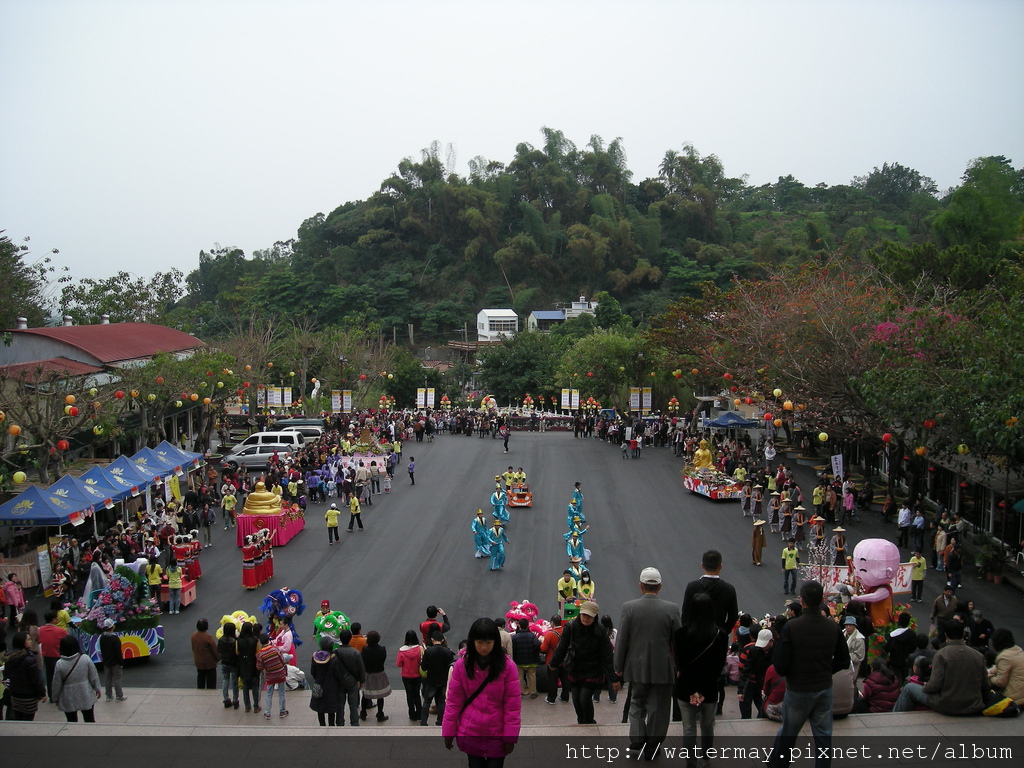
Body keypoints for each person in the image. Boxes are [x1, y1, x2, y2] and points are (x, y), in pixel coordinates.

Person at [766, 581, 851, 768]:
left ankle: (778, 764)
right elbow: (844, 661)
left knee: (789, 732)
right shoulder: (833, 627)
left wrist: (793, 673)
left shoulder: (792, 627)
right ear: (822, 599)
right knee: (823, 736)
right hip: (824, 688)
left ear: (802, 600)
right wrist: (826, 670)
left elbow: (780, 664)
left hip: (798, 689)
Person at [614, 567, 681, 763]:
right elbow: (678, 642)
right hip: (663, 667)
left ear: (641, 586)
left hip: (636, 666)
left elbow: (622, 640)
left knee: (636, 702)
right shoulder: (672, 609)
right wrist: (679, 667)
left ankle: (637, 737)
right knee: (659, 708)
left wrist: (618, 666)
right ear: (659, 586)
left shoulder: (629, 607)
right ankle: (653, 744)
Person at [442, 617, 521, 766]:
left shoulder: (507, 667)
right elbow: (454, 702)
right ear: (472, 642)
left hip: (497, 733)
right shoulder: (462, 665)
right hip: (471, 731)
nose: (484, 647)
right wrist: (448, 732)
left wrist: (510, 737)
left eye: (488, 643)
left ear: (495, 642)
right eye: (479, 642)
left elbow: (512, 706)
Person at [673, 593, 729, 764]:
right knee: (707, 726)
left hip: (686, 688)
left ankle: (691, 762)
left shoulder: (680, 634)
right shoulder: (721, 636)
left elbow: (681, 665)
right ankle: (706, 756)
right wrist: (703, 691)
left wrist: (693, 691)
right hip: (709, 689)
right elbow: (718, 667)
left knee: (689, 728)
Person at [892, 621, 987, 714]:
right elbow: (985, 684)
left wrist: (925, 687)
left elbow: (934, 685)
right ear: (963, 634)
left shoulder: (941, 655)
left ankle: (895, 718)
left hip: (947, 704)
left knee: (909, 687)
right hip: (973, 704)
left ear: (946, 635)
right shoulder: (978, 656)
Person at [549, 600, 615, 725]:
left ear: (595, 616)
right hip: (576, 668)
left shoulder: (600, 630)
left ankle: (589, 722)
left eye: (589, 616)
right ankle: (581, 721)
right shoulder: (571, 627)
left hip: (593, 670)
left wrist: (614, 678)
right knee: (576, 699)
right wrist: (554, 663)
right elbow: (562, 647)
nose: (586, 618)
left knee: (584, 698)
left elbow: (607, 654)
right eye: (584, 615)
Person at [681, 549, 739, 635]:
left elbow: (685, 614)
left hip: (695, 636)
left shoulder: (692, 587)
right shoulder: (729, 589)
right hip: (718, 636)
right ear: (720, 566)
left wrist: (689, 632)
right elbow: (733, 617)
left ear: (702, 566)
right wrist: (723, 632)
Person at [51, 634, 102, 722]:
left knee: (71, 720)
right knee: (89, 718)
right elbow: (93, 675)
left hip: (68, 695)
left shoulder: (60, 663)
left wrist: (55, 697)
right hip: (85, 692)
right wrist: (97, 688)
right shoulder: (85, 659)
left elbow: (57, 683)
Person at [4, 631, 46, 720]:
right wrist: (42, 693)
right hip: (28, 696)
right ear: (22, 642)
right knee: (28, 719)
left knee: (18, 717)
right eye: (28, 639)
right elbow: (36, 679)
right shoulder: (30, 659)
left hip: (15, 694)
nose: (31, 641)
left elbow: (7, 674)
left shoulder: (9, 657)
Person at [420, 629, 455, 726]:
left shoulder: (428, 652)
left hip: (431, 680)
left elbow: (424, 667)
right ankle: (440, 721)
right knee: (441, 701)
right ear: (442, 640)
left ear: (432, 639)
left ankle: (423, 721)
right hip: (443, 680)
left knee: (427, 701)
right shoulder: (448, 652)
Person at [335, 629, 366, 726]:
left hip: (339, 682)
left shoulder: (335, 652)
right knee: (353, 705)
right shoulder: (355, 653)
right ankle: (354, 722)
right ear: (350, 639)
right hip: (352, 681)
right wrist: (362, 681)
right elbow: (361, 669)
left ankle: (340, 722)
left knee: (340, 705)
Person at [309, 636, 343, 726]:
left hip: (319, 684)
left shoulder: (315, 657)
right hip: (332, 687)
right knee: (331, 709)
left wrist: (318, 679)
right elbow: (338, 674)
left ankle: (322, 725)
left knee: (320, 708)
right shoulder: (334, 658)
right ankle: (331, 726)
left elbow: (313, 672)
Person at [359, 630, 391, 721]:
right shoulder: (382, 649)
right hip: (380, 673)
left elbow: (362, 662)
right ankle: (380, 713)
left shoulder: (365, 650)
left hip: (368, 674)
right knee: (380, 695)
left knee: (365, 694)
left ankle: (363, 712)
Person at [257, 630, 290, 719]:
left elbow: (259, 667)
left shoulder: (260, 654)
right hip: (280, 673)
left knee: (269, 694)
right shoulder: (275, 649)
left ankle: (267, 713)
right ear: (268, 640)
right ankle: (282, 711)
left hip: (270, 676)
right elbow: (282, 660)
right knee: (282, 693)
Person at [38, 609, 68, 700]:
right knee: (60, 677)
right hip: (58, 657)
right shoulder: (60, 631)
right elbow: (68, 640)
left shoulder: (40, 630)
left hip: (46, 657)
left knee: (50, 676)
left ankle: (51, 695)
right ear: (53, 620)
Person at [988, 628, 1024, 706]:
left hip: (1014, 698)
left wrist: (990, 677)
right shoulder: (1017, 650)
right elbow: (1001, 667)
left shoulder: (1004, 657)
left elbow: (1000, 682)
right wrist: (992, 670)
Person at [541, 615, 570, 704]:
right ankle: (565, 696)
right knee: (565, 679)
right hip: (564, 660)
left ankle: (551, 698)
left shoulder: (550, 634)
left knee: (553, 681)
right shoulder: (566, 632)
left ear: (552, 623)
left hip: (552, 661)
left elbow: (543, 649)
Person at [396, 629, 423, 721]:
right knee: (417, 694)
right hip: (417, 675)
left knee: (409, 695)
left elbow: (399, 664)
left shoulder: (402, 651)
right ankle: (419, 713)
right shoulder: (419, 649)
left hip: (406, 676)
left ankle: (412, 714)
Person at [511, 619, 542, 699]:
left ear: (519, 626)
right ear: (528, 625)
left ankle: (522, 691)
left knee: (520, 676)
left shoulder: (515, 637)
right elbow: (537, 645)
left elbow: (513, 649)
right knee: (531, 676)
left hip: (519, 661)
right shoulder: (532, 636)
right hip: (532, 660)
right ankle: (533, 692)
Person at [99, 617, 127, 702]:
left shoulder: (102, 637)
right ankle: (119, 696)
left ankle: (108, 696)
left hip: (106, 661)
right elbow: (118, 652)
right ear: (112, 627)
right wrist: (121, 662)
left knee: (108, 679)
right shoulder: (115, 638)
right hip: (115, 662)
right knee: (117, 679)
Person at [236, 621, 261, 713]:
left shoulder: (238, 640)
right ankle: (256, 706)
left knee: (245, 686)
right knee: (255, 686)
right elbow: (258, 652)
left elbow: (237, 652)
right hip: (253, 664)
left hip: (243, 664)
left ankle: (247, 706)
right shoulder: (255, 640)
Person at [218, 621, 240, 709]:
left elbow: (218, 650)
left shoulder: (221, 640)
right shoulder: (235, 641)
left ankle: (226, 699)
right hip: (234, 663)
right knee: (235, 682)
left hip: (224, 663)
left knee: (225, 680)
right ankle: (235, 700)